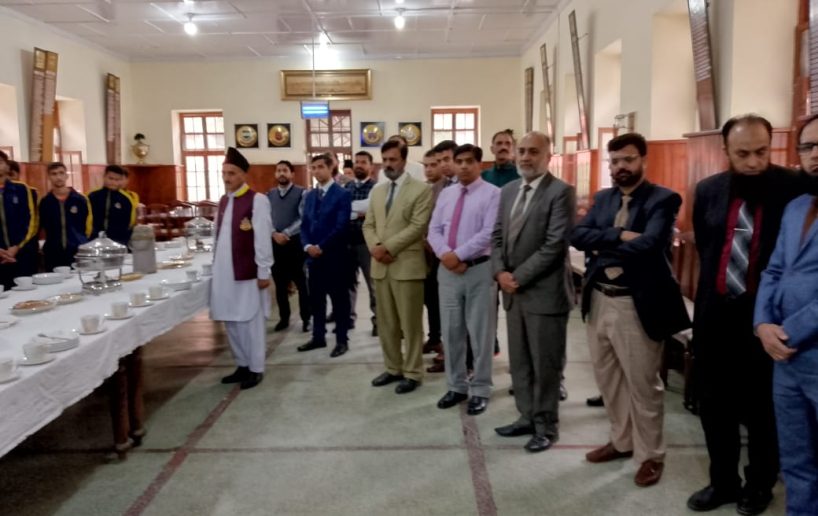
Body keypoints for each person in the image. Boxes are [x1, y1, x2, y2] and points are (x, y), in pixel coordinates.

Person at [688, 114, 818, 514]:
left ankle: (759, 485)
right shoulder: (708, 190)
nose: (753, 162)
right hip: (716, 316)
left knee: (764, 411)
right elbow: (708, 250)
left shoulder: (795, 187)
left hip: (768, 321)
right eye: (742, 154)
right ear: (725, 151)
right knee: (715, 407)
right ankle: (723, 482)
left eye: (761, 152)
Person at [571, 132, 690, 485]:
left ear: (643, 160)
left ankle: (651, 455)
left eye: (628, 159)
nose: (620, 166)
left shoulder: (663, 199)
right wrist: (620, 235)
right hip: (599, 297)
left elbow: (651, 245)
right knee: (608, 379)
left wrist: (601, 243)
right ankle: (621, 441)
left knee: (643, 384)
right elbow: (577, 236)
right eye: (615, 161)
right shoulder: (604, 197)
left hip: (636, 303)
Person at [491, 131, 574, 453]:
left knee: (545, 365)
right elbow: (497, 236)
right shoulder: (509, 191)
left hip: (544, 294)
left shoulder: (560, 192)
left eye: (533, 152)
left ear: (548, 156)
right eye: (522, 151)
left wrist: (517, 277)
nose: (525, 157)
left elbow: (554, 245)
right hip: (514, 294)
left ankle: (546, 426)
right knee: (521, 362)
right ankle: (526, 416)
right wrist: (499, 272)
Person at [754, 113, 818, 516]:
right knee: (796, 459)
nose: (815, 155)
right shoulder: (797, 207)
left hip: (804, 347)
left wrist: (786, 333)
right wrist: (762, 324)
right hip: (785, 359)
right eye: (808, 147)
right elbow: (775, 269)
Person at [428, 144, 500, 414]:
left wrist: (457, 255)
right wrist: (445, 255)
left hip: (479, 270)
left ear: (480, 164)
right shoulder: (446, 194)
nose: (464, 166)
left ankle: (480, 388)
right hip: (447, 272)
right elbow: (433, 229)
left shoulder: (493, 194)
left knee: (480, 333)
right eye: (459, 161)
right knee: (451, 331)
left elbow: (489, 233)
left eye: (470, 161)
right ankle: (456, 386)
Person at [363, 139, 433, 394]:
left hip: (407, 265)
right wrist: (375, 247)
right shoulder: (378, 191)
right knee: (387, 323)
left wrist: (388, 248)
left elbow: (418, 226)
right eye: (385, 160)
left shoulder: (421, 190)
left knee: (410, 324)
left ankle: (413, 372)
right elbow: (368, 224)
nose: (388, 164)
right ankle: (393, 368)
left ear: (404, 160)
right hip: (380, 266)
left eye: (393, 159)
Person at [210, 147, 273, 390]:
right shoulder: (223, 201)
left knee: (250, 321)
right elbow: (217, 237)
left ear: (244, 175)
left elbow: (263, 239)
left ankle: (256, 367)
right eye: (224, 173)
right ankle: (242, 364)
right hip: (225, 273)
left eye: (232, 173)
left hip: (247, 272)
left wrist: (264, 271)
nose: (227, 178)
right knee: (231, 320)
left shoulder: (257, 200)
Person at [299, 154, 353, 358]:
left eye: (320, 166)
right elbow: (304, 225)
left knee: (339, 301)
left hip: (335, 257)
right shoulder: (310, 195)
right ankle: (318, 337)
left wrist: (321, 246)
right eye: (313, 167)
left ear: (331, 168)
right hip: (314, 258)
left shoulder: (342, 194)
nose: (316, 171)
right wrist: (307, 246)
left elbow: (341, 226)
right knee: (316, 300)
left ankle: (341, 340)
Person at [266, 160, 310, 333]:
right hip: (276, 244)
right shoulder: (269, 194)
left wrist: (285, 233)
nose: (281, 173)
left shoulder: (302, 193)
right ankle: (284, 318)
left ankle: (306, 318)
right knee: (280, 283)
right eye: (278, 170)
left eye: (285, 170)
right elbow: (266, 217)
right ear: (275, 174)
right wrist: (273, 233)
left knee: (301, 283)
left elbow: (303, 217)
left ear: (292, 174)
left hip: (295, 244)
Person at [345, 151, 378, 337]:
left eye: (363, 162)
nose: (359, 165)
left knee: (373, 284)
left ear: (371, 166)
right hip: (347, 241)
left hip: (367, 243)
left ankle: (378, 321)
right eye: (357, 162)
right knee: (348, 283)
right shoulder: (347, 187)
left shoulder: (377, 188)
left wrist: (356, 210)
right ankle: (349, 318)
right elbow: (342, 210)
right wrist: (359, 212)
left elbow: (372, 210)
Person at [38, 161, 92, 271]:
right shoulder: (44, 202)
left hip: (77, 252)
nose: (58, 177)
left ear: (66, 176)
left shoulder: (81, 200)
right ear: (48, 177)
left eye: (61, 173)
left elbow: (89, 226)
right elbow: (40, 227)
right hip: (53, 253)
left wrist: (83, 245)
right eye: (54, 174)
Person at [423, 149, 447, 372]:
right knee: (430, 299)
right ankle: (434, 337)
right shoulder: (425, 188)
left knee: (442, 301)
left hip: (442, 253)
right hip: (424, 253)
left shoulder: (448, 189)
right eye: (426, 165)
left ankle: (446, 347)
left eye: (434, 164)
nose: (429, 169)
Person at [0, 151, 37, 290]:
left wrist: (16, 246)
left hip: (21, 253)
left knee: (25, 293)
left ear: (7, 166)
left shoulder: (21, 189)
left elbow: (30, 220)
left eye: (0, 162)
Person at [88, 165, 138, 246]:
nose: (113, 182)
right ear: (104, 177)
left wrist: (123, 240)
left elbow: (130, 223)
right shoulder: (92, 196)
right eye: (110, 178)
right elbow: (85, 220)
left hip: (118, 242)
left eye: (117, 180)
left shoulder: (126, 200)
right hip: (94, 241)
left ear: (121, 180)